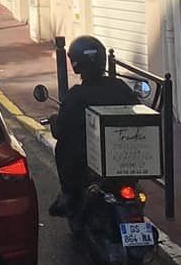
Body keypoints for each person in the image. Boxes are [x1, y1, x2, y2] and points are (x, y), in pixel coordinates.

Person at [49, 36, 137, 217]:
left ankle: (68, 194)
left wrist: (54, 123)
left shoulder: (75, 96)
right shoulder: (120, 87)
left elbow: (62, 130)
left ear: (76, 63)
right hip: (123, 158)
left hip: (88, 163)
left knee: (62, 148)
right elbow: (136, 112)